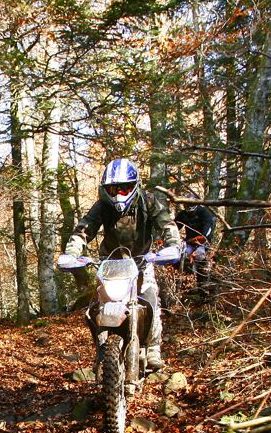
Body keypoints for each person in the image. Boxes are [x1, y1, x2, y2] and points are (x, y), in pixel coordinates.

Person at [64, 158, 180, 370]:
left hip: (142, 261)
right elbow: (83, 230)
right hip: (110, 263)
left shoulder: (149, 201)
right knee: (97, 307)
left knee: (151, 298)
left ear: (135, 186)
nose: (118, 194)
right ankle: (102, 350)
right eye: (113, 189)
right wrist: (72, 254)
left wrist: (172, 246)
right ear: (105, 189)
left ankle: (153, 349)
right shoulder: (101, 206)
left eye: (125, 189)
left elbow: (167, 224)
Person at [174, 197, 217, 293]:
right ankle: (184, 285)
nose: (189, 212)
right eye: (187, 207)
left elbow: (206, 234)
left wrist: (198, 239)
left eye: (191, 209)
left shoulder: (205, 213)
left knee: (199, 256)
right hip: (189, 242)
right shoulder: (183, 215)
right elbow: (174, 227)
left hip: (203, 242)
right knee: (181, 256)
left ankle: (203, 285)